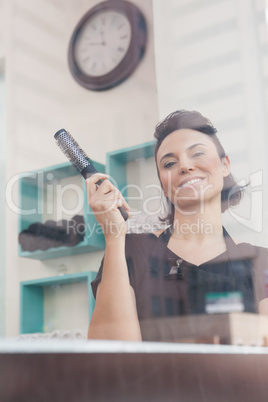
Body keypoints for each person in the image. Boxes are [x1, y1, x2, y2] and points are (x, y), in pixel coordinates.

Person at [86, 110, 268, 342]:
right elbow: (111, 359)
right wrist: (113, 237)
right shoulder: (129, 251)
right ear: (163, 184)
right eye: (170, 163)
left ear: (225, 165)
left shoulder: (260, 261)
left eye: (197, 153)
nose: (184, 166)